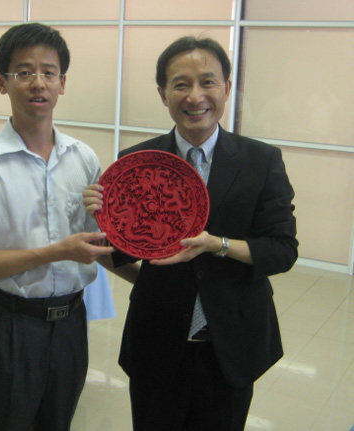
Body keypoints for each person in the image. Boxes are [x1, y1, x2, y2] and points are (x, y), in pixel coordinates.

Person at [83, 36, 298, 431]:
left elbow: (282, 250)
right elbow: (119, 253)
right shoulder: (136, 164)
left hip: (231, 342)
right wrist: (103, 219)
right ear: (163, 93)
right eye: (181, 84)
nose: (195, 96)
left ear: (226, 88)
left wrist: (217, 245)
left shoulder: (261, 161)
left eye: (207, 82)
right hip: (156, 340)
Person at [0, 23, 114, 431]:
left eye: (48, 72)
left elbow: (99, 240)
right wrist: (57, 251)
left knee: (57, 423)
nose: (38, 82)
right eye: (24, 72)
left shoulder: (83, 158)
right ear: (2, 83)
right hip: (9, 325)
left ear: (62, 83)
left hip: (71, 323)